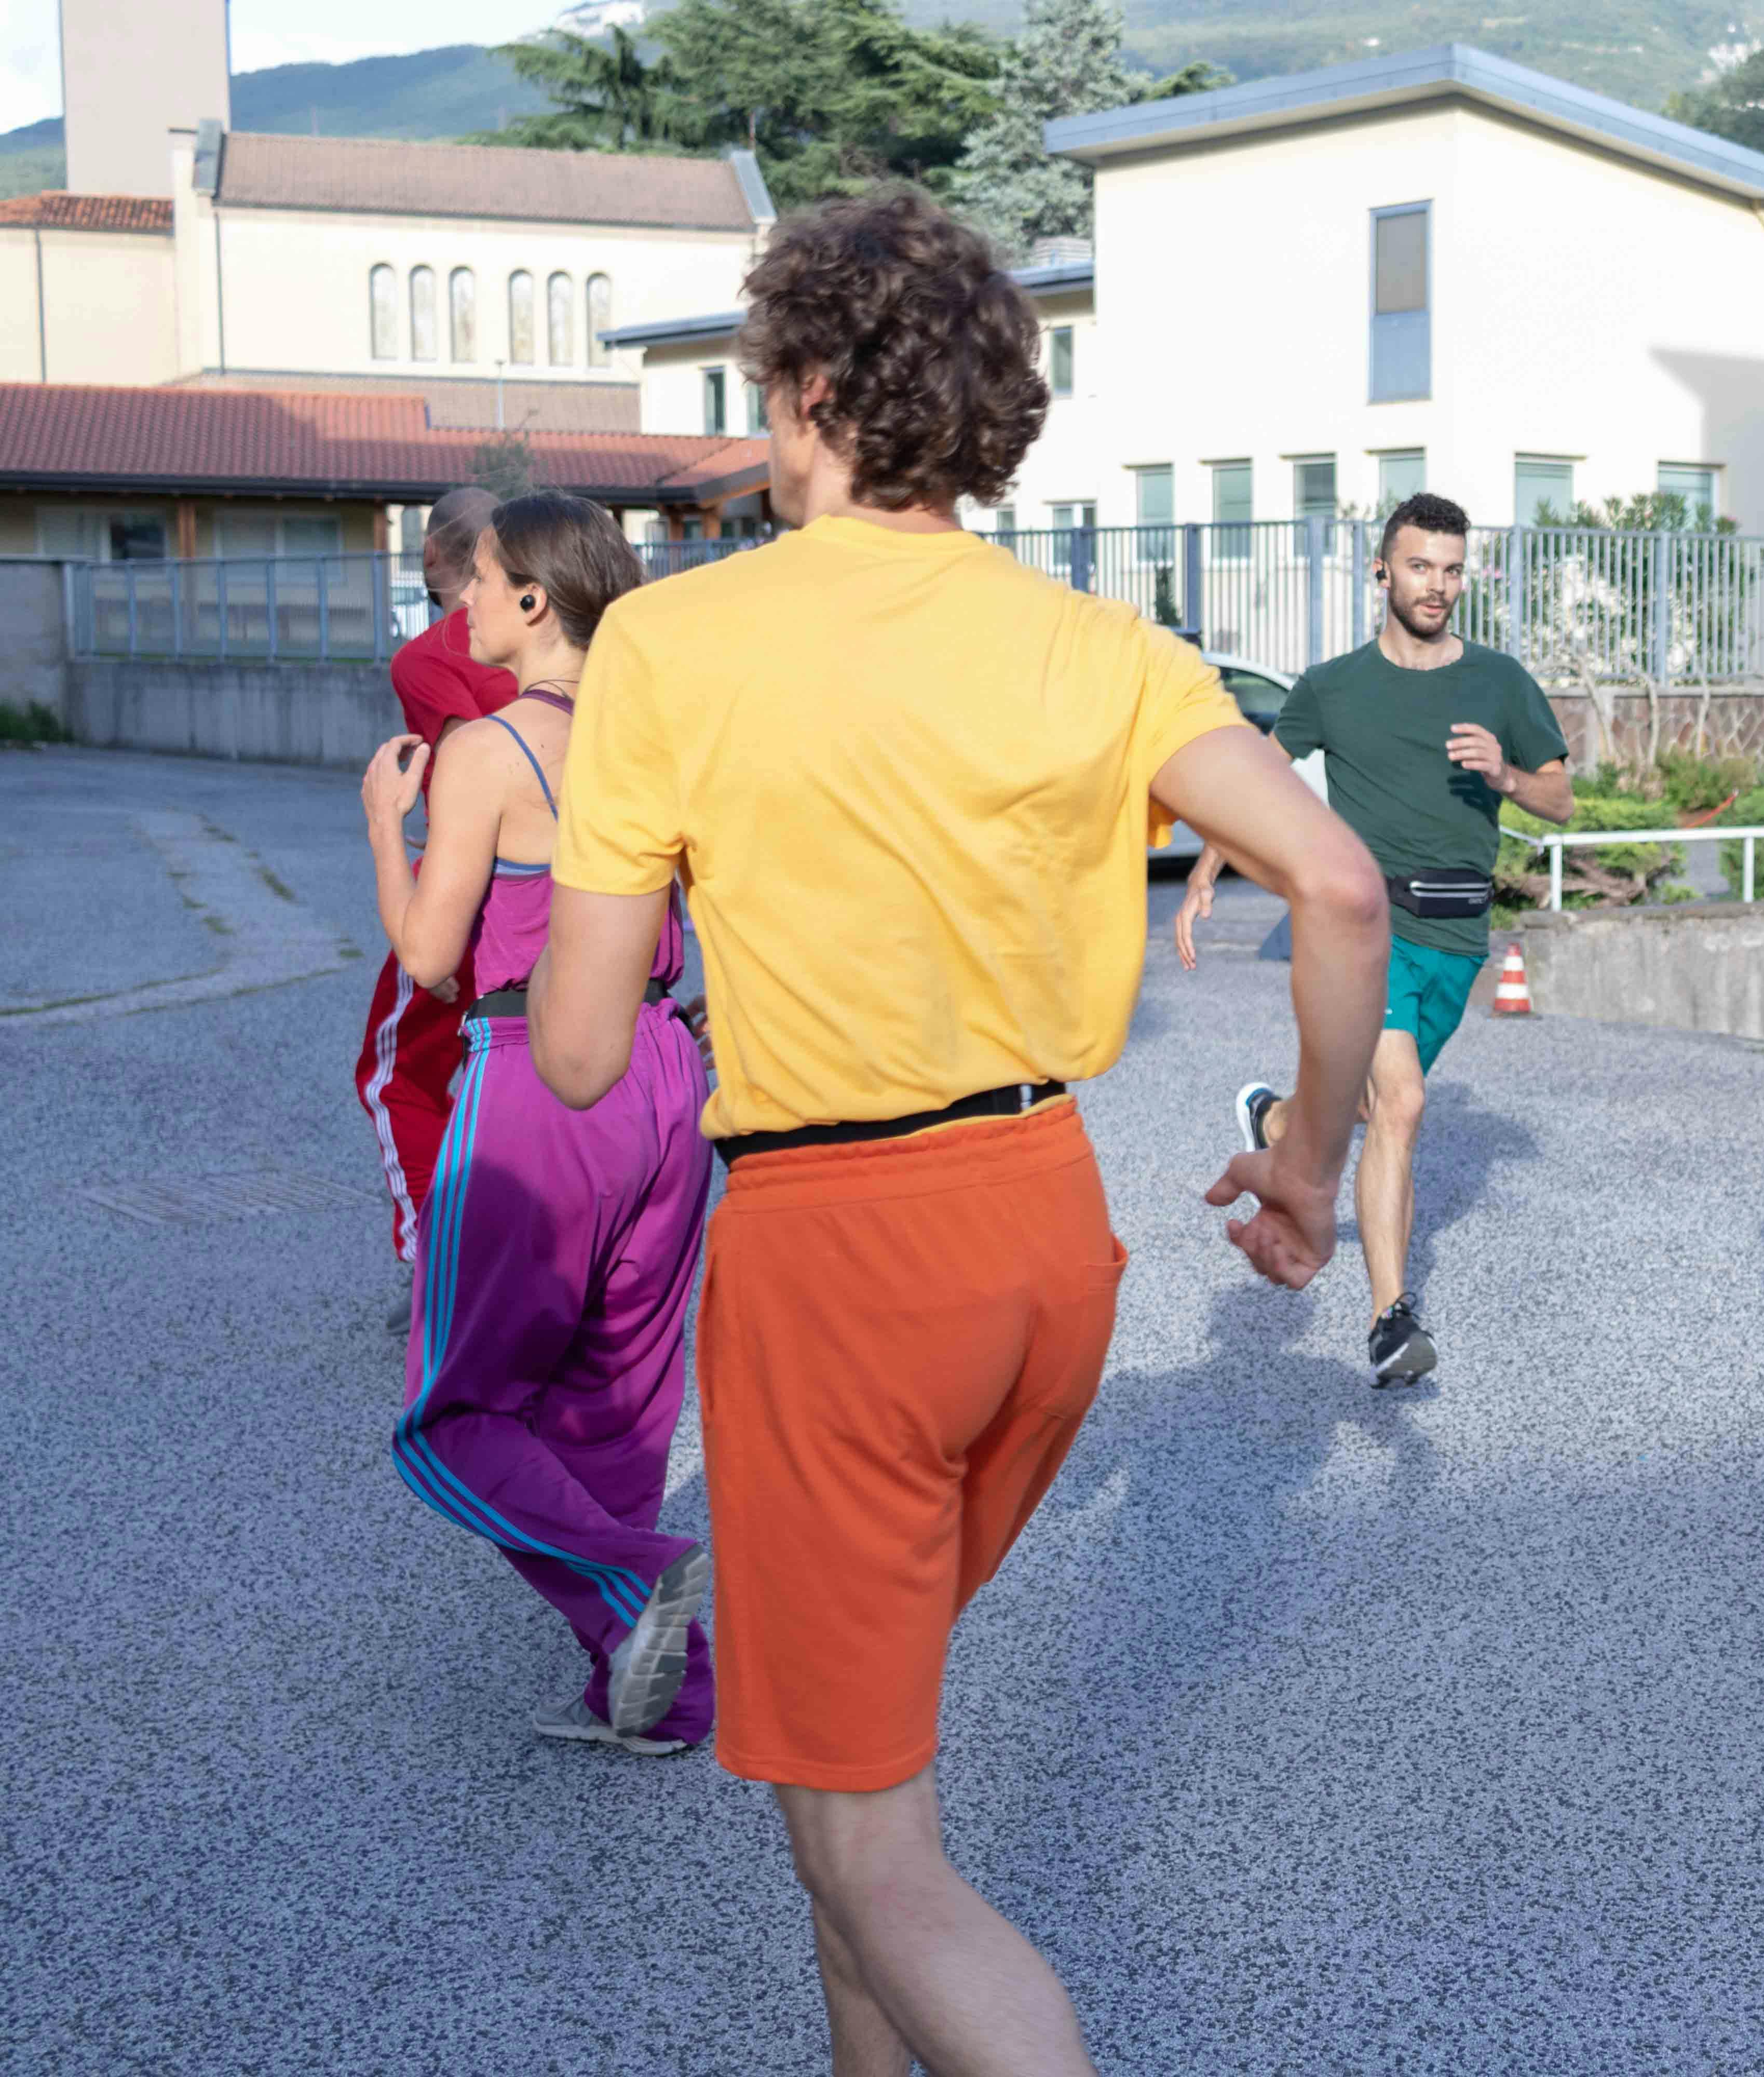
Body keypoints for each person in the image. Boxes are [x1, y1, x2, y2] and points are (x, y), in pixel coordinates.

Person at [532, 188, 1386, 2076]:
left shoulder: (672, 643)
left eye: (769, 394)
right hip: (1038, 1235)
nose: (764, 432)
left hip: (837, 1256)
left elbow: (580, 1050)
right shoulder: (1092, 641)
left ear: (820, 386)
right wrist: (1311, 1166)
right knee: (848, 1765)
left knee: (871, 1838)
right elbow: (1335, 883)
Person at [358, 493, 714, 1757]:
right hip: (669, 1068)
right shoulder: (652, 735)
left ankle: (636, 1584)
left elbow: (432, 958)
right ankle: (664, 1695)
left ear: (530, 599)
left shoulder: (487, 749)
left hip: (538, 1071)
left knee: (448, 1419)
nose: (460, 601)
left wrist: (382, 832)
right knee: (616, 1404)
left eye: (482, 580)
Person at [1173, 492, 1574, 1388]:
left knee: (1369, 1106)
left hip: (1458, 934)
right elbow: (1259, 782)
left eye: (1454, 569)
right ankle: (1393, 1321)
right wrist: (1209, 870)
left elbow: (1559, 797)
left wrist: (1506, 773)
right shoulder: (1332, 686)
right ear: (1383, 570)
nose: (1439, 585)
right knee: (1401, 1104)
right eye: (1422, 566)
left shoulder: (1501, 682)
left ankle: (1274, 1118)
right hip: (1367, 927)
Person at [351, 487, 519, 1264]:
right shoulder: (556, 640)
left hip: (481, 893)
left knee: (396, 1079)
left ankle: (437, 1268)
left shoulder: (427, 657)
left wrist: (439, 929)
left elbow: (464, 783)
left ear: (430, 557)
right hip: (568, 887)